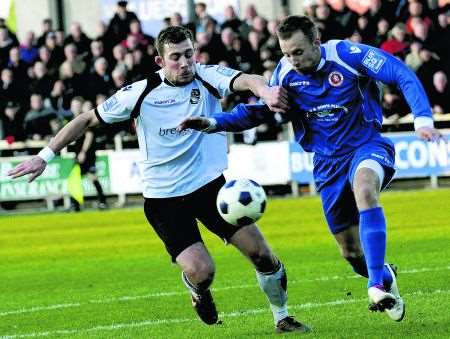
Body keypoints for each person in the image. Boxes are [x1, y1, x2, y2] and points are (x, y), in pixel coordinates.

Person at [8, 26, 309, 334]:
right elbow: (86, 119)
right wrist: (43, 157)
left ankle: (282, 317)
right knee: (202, 270)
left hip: (210, 188)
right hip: (164, 199)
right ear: (159, 61)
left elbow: (247, 80)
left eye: (189, 54)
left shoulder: (207, 76)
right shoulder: (141, 92)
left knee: (262, 254)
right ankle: (198, 291)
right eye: (175, 57)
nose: (185, 63)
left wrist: (267, 91)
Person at [177, 15, 444, 322]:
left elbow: (400, 72)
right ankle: (382, 275)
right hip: (327, 165)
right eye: (286, 53)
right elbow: (258, 113)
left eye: (299, 52)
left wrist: (423, 119)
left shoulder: (346, 55)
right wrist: (213, 123)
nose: (293, 59)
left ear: (317, 42)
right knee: (351, 253)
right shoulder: (285, 74)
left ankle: (375, 285)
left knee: (365, 187)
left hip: (366, 146)